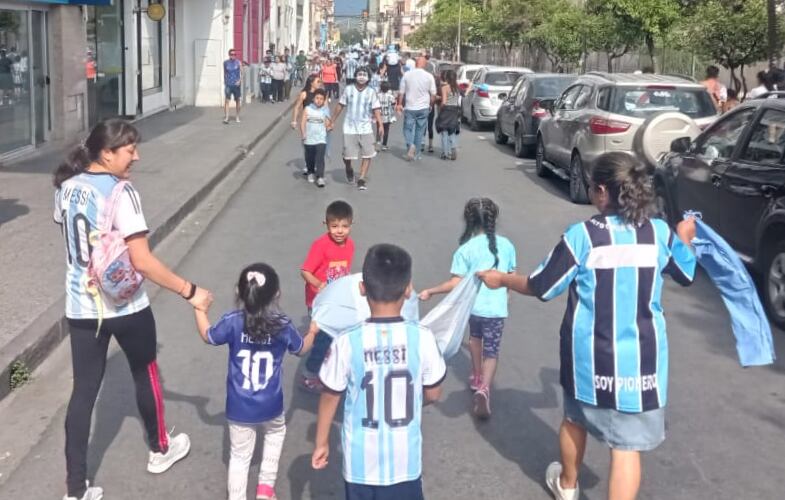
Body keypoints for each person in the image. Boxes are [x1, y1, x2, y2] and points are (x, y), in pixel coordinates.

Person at [477, 152, 697, 500]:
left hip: (589, 361)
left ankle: (566, 484)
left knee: (574, 419)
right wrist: (684, 237)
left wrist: (501, 279)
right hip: (642, 364)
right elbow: (687, 273)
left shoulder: (583, 236)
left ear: (600, 193)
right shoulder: (658, 233)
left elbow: (541, 286)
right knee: (626, 449)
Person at [53, 119, 212, 500]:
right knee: (146, 373)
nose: (136, 157)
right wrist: (189, 291)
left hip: (81, 306)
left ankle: (75, 489)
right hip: (125, 304)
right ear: (106, 153)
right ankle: (160, 449)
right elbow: (142, 260)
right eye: (129, 150)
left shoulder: (66, 188)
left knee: (83, 393)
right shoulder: (122, 193)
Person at [311, 243, 447, 500]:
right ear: (408, 290)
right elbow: (433, 393)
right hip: (405, 462)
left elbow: (330, 395)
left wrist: (321, 441)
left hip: (361, 463)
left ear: (362, 288)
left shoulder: (346, 341)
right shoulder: (423, 338)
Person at [193, 263, 316, 500]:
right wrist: (312, 332)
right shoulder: (282, 323)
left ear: (238, 293)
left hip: (238, 407)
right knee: (275, 433)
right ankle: (265, 489)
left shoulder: (232, 321)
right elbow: (300, 349)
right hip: (271, 403)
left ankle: (237, 497)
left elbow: (208, 335)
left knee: (239, 456)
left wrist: (199, 310)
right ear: (277, 293)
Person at [419, 198, 516, 418]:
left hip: (473, 307)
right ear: (494, 220)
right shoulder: (507, 245)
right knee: (492, 351)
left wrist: (431, 291)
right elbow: (511, 276)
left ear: (468, 221)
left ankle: (476, 375)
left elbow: (455, 284)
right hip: (497, 309)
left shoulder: (466, 249)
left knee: (475, 339)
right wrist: (507, 296)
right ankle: (485, 388)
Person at [299, 201, 355, 391]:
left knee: (335, 336)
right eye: (335, 226)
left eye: (344, 226)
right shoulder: (320, 246)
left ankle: (326, 363)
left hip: (337, 300)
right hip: (318, 301)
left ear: (351, 225)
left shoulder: (350, 245)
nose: (340, 231)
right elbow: (305, 271)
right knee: (323, 337)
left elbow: (345, 271)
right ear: (326, 224)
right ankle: (310, 373)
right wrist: (318, 284)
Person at [332, 67, 383, 190]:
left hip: (366, 128)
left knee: (368, 154)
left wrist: (380, 124)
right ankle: (348, 169)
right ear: (355, 76)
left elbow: (376, 109)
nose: (361, 77)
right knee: (347, 155)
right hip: (349, 128)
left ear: (368, 78)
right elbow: (340, 105)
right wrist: (332, 121)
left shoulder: (371, 92)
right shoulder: (349, 89)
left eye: (364, 75)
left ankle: (361, 178)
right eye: (359, 74)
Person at [397, 56, 436, 161]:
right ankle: (417, 154)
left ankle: (410, 145)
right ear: (424, 64)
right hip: (424, 107)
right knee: (420, 130)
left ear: (416, 64)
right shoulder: (429, 76)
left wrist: (399, 104)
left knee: (407, 129)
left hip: (410, 107)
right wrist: (431, 105)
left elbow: (401, 92)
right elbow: (433, 94)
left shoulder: (407, 75)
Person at [300, 88, 333, 187]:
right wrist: (303, 134)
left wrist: (329, 126)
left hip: (321, 138)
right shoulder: (308, 109)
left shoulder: (325, 111)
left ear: (324, 101)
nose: (319, 100)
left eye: (321, 99)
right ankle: (310, 172)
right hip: (309, 138)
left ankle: (320, 177)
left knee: (320, 158)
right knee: (309, 157)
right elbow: (302, 122)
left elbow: (328, 124)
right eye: (317, 98)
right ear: (313, 99)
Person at [436, 69, 462, 160]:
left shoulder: (445, 87)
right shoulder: (457, 87)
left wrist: (441, 107)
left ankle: (445, 153)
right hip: (454, 110)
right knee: (452, 131)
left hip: (446, 110)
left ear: (447, 78)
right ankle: (454, 147)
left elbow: (443, 101)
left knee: (444, 132)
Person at [223, 49, 243, 124]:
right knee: (227, 100)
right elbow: (225, 72)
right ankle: (227, 117)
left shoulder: (238, 62)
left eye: (234, 54)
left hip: (236, 85)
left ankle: (237, 116)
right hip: (228, 84)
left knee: (237, 100)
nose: (233, 55)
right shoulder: (225, 63)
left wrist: (240, 80)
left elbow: (242, 73)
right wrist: (225, 81)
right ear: (229, 55)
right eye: (231, 54)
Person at [378, 81, 396, 151]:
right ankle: (384, 145)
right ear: (388, 88)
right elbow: (393, 104)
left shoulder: (378, 95)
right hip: (387, 116)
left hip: (379, 115)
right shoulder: (390, 96)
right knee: (386, 130)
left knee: (379, 128)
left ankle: (378, 142)